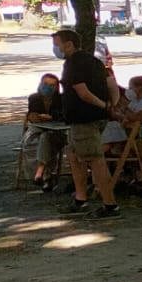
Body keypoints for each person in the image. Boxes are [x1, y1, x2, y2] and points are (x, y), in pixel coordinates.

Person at [53, 27, 120, 216]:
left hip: (84, 119)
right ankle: (80, 198)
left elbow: (82, 92)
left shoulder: (74, 64)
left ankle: (110, 205)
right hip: (90, 119)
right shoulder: (95, 61)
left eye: (57, 45)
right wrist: (111, 105)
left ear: (68, 44)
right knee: (74, 155)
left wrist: (103, 106)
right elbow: (112, 84)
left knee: (95, 160)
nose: (55, 49)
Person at [24, 72, 68, 192]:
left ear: (56, 87)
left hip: (57, 133)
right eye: (45, 84)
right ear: (40, 84)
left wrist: (51, 117)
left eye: (52, 85)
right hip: (39, 132)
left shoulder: (61, 99)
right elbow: (32, 116)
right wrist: (37, 117)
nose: (48, 87)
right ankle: (46, 177)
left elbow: (63, 116)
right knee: (45, 138)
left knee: (48, 137)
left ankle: (40, 172)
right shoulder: (34, 98)